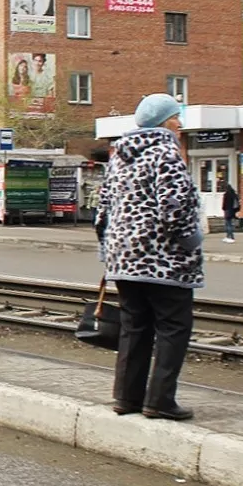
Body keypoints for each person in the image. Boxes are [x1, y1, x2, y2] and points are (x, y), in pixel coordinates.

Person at [95, 93, 203, 421]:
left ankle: (126, 398)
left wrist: (110, 248)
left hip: (124, 259)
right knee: (173, 326)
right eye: (175, 117)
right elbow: (175, 206)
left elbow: (102, 211)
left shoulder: (118, 157)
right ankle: (160, 401)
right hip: (163, 258)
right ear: (161, 122)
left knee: (134, 326)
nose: (179, 124)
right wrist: (190, 240)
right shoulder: (165, 152)